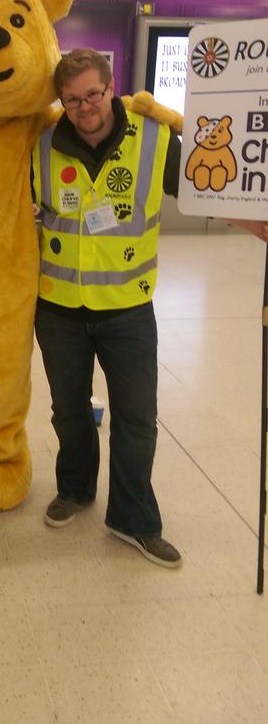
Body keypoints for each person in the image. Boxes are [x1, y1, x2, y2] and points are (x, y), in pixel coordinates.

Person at [32, 48, 267, 568]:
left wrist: (251, 222)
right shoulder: (41, 142)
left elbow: (205, 186)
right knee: (68, 411)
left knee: (137, 420)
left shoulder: (155, 138)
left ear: (111, 87)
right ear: (62, 103)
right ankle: (74, 490)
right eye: (72, 100)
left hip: (127, 308)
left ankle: (134, 519)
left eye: (93, 94)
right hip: (58, 308)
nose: (84, 107)